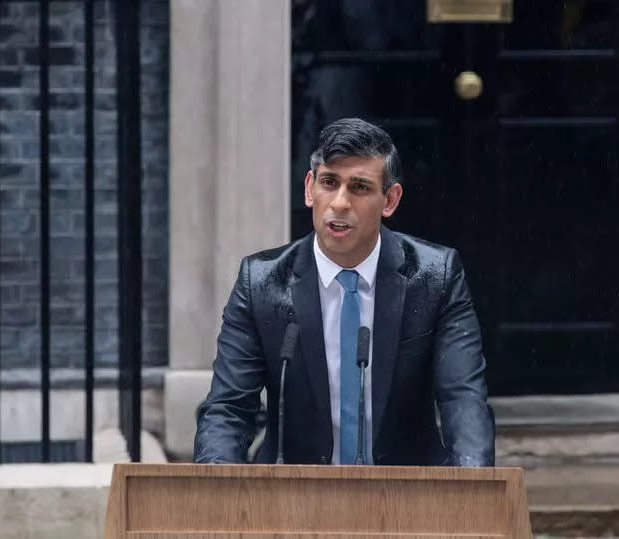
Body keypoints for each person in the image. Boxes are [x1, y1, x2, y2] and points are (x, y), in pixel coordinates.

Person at [194, 118, 495, 466]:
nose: (339, 202)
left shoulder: (435, 276)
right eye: (329, 182)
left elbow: (463, 399)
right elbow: (229, 407)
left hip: (406, 498)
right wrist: (215, 490)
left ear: (390, 200)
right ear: (310, 188)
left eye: (360, 187)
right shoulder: (261, 282)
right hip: (294, 498)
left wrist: (474, 491)